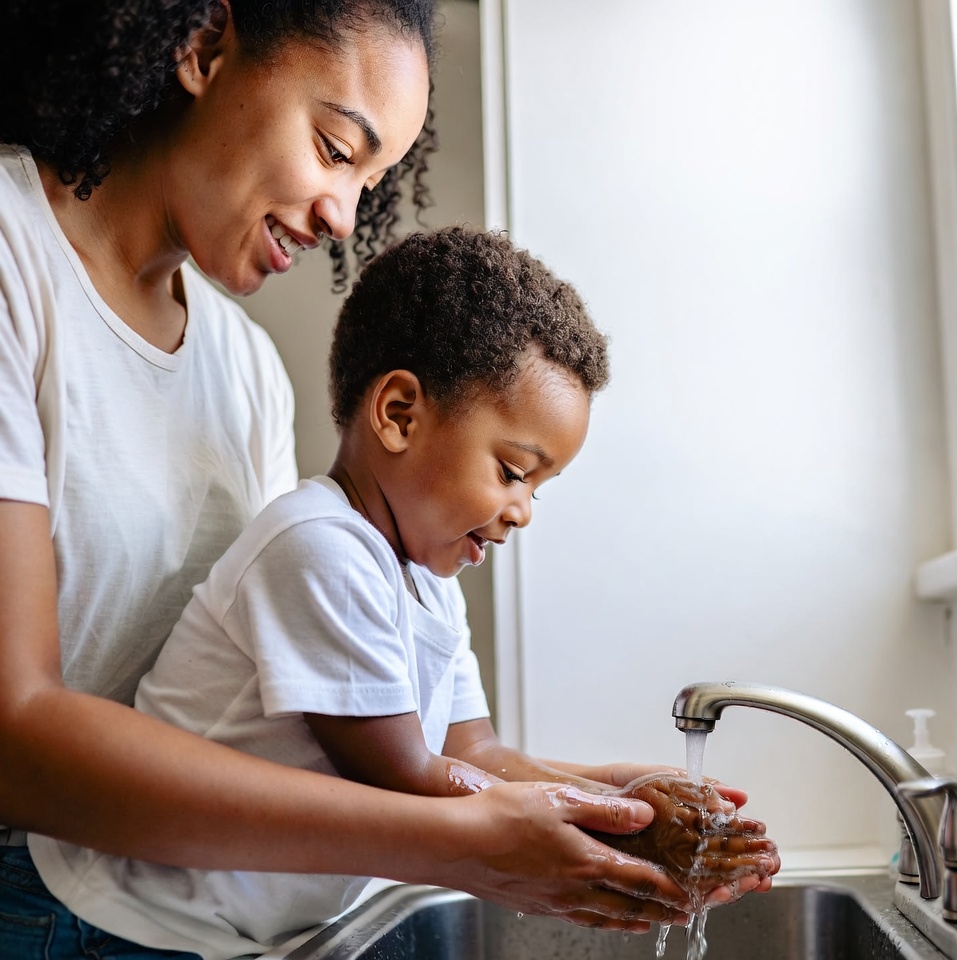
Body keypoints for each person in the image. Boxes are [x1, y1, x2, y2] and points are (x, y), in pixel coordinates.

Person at [0, 1, 774, 955]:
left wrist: (602, 798)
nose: (343, 215)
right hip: (54, 899)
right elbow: (15, 735)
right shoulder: (11, 264)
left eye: (372, 180)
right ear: (202, 49)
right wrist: (464, 843)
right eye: (335, 149)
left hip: (181, 913)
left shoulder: (243, 371)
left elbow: (414, 740)